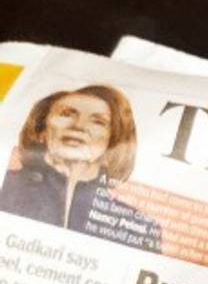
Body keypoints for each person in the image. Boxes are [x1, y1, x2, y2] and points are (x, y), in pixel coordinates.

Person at [0, 84, 161, 251]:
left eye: (98, 121)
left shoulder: (139, 227)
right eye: (67, 114)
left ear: (113, 141)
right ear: (41, 131)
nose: (79, 126)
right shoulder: (5, 187)